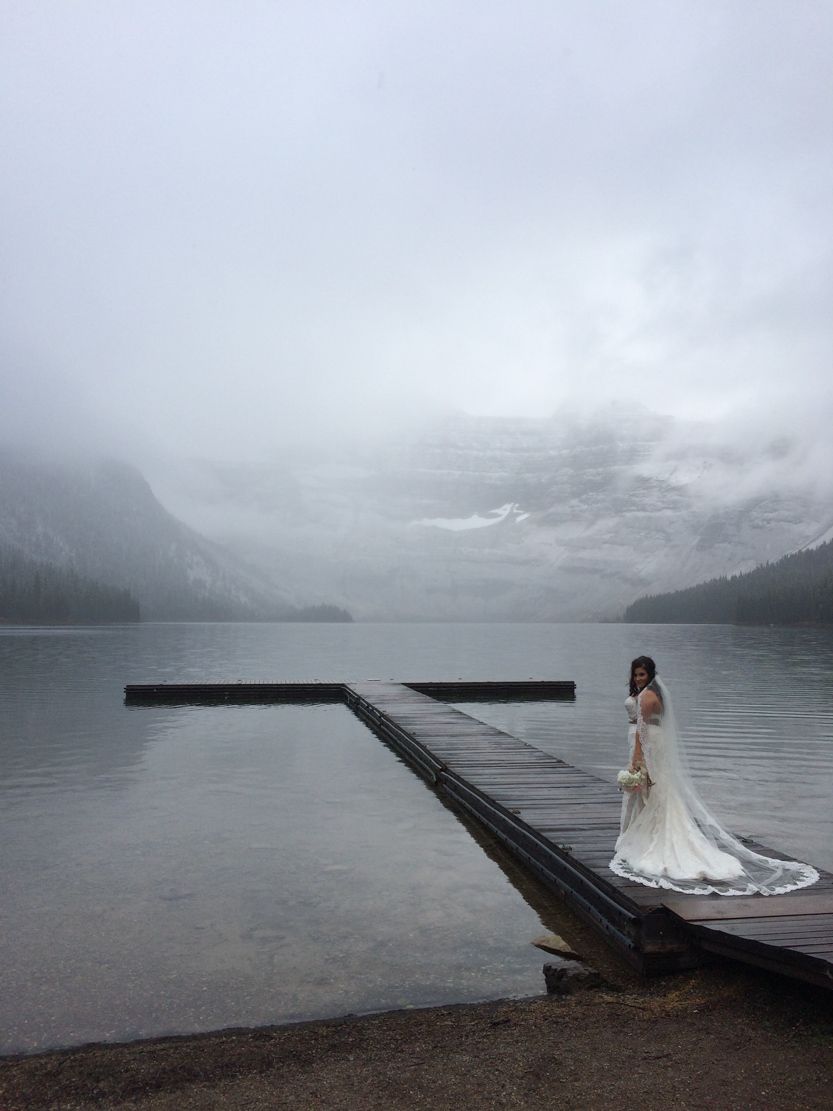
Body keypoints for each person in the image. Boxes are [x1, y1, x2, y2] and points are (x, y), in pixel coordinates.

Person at [609, 655, 819, 896]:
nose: (637, 678)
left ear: (650, 675)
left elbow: (642, 732)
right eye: (635, 674)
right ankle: (639, 831)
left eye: (642, 675)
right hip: (654, 743)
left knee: (650, 788)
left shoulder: (647, 696)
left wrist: (637, 759)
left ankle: (646, 838)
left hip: (647, 745)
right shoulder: (653, 693)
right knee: (656, 789)